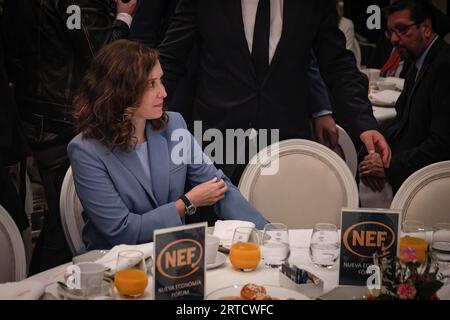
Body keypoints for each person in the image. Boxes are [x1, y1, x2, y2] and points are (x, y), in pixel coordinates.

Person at [157, 0, 391, 187]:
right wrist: (136, 110)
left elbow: (337, 64)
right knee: (216, 234)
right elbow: (171, 59)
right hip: (219, 139)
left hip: (285, 140)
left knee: (283, 230)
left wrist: (364, 123)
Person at [68, 40, 268, 250]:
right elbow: (122, 231)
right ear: (121, 91)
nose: (163, 92)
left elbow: (219, 187)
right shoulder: (86, 150)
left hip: (172, 260)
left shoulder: (173, 125)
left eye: (161, 81)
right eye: (151, 84)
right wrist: (186, 203)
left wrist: (268, 234)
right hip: (113, 267)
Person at [14, 0, 137, 274]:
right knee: (66, 221)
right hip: (63, 120)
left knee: (60, 219)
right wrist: (124, 18)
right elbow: (105, 57)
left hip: (38, 115)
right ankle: (41, 288)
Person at [359, 0, 450, 194]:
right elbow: (403, 123)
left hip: (427, 186)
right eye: (391, 32)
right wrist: (377, 155)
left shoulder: (444, 67)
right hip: (409, 170)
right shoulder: (417, 62)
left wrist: (388, 166)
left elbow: (442, 145)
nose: (394, 39)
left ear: (426, 27)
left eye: (401, 30)